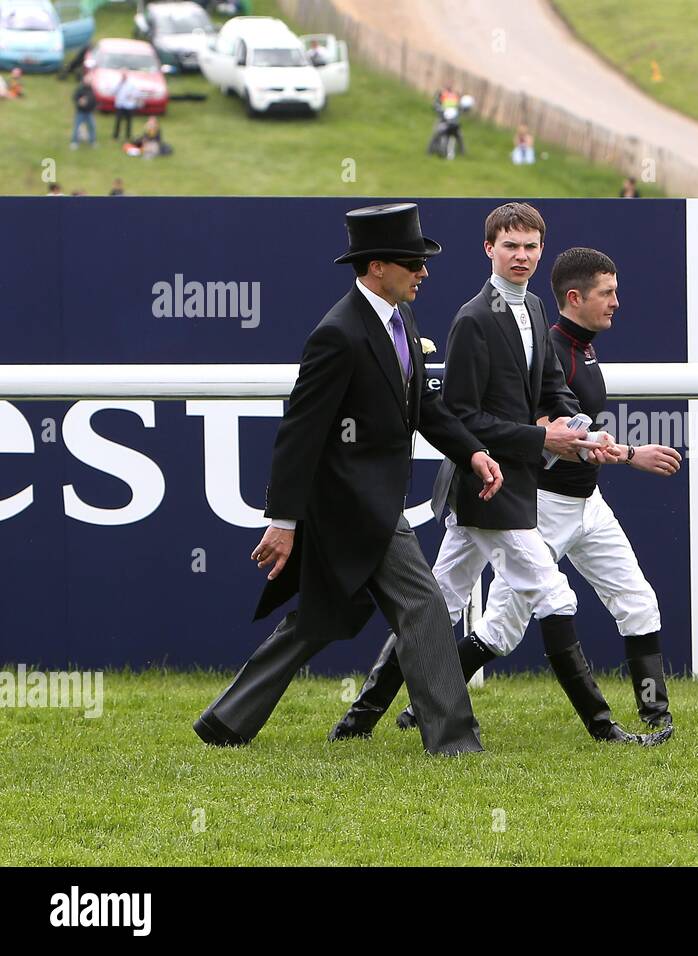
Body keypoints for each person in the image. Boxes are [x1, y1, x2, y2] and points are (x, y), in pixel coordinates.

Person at [331, 203, 651, 746]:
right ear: (489, 250)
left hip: (505, 485)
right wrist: (541, 438)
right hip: (484, 486)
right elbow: (460, 416)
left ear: (540, 251)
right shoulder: (473, 318)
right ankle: (603, 728)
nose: (521, 256)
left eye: (530, 247)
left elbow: (553, 391)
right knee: (556, 597)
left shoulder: (532, 314)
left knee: (439, 604)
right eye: (510, 246)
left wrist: (582, 431)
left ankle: (358, 720)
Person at [193, 203, 505, 757]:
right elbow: (299, 433)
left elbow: (424, 408)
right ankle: (455, 742)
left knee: (323, 617)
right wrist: (284, 521)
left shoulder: (400, 318)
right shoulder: (337, 334)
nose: (424, 272)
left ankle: (226, 721)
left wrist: (473, 452)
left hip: (374, 503)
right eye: (414, 263)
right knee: (425, 605)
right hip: (352, 510)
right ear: (377, 266)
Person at [70, 70, 96, 149]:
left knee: (92, 126)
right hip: (80, 112)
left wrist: (92, 106)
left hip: (89, 112)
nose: (88, 81)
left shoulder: (91, 89)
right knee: (77, 127)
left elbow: (93, 100)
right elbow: (75, 97)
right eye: (87, 80)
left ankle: (92, 141)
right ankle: (74, 142)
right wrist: (79, 101)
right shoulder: (80, 89)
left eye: (89, 80)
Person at [113, 73, 142, 141]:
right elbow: (114, 91)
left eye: (124, 76)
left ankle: (128, 136)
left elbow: (136, 93)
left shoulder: (131, 85)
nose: (123, 77)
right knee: (118, 121)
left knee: (129, 122)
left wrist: (131, 96)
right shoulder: (119, 84)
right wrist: (119, 84)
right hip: (120, 105)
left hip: (129, 106)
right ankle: (116, 136)